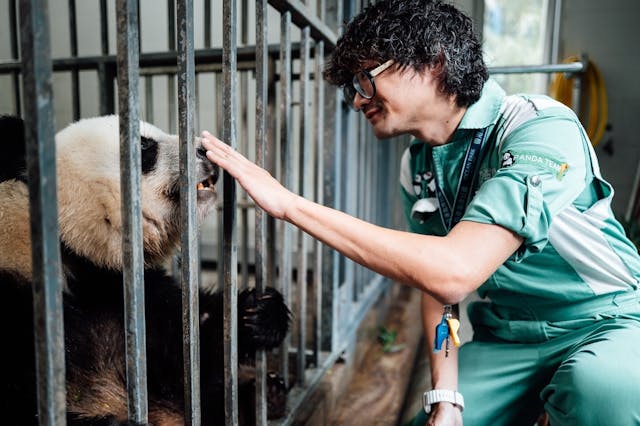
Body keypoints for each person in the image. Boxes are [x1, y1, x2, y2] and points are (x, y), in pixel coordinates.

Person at [201, 0, 640, 424]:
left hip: (601, 320)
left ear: (432, 62)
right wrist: (445, 398)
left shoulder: (538, 127)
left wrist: (291, 205)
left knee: (599, 393)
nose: (357, 100)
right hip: (508, 337)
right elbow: (436, 289)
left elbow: (454, 272)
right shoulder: (419, 164)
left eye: (365, 80)